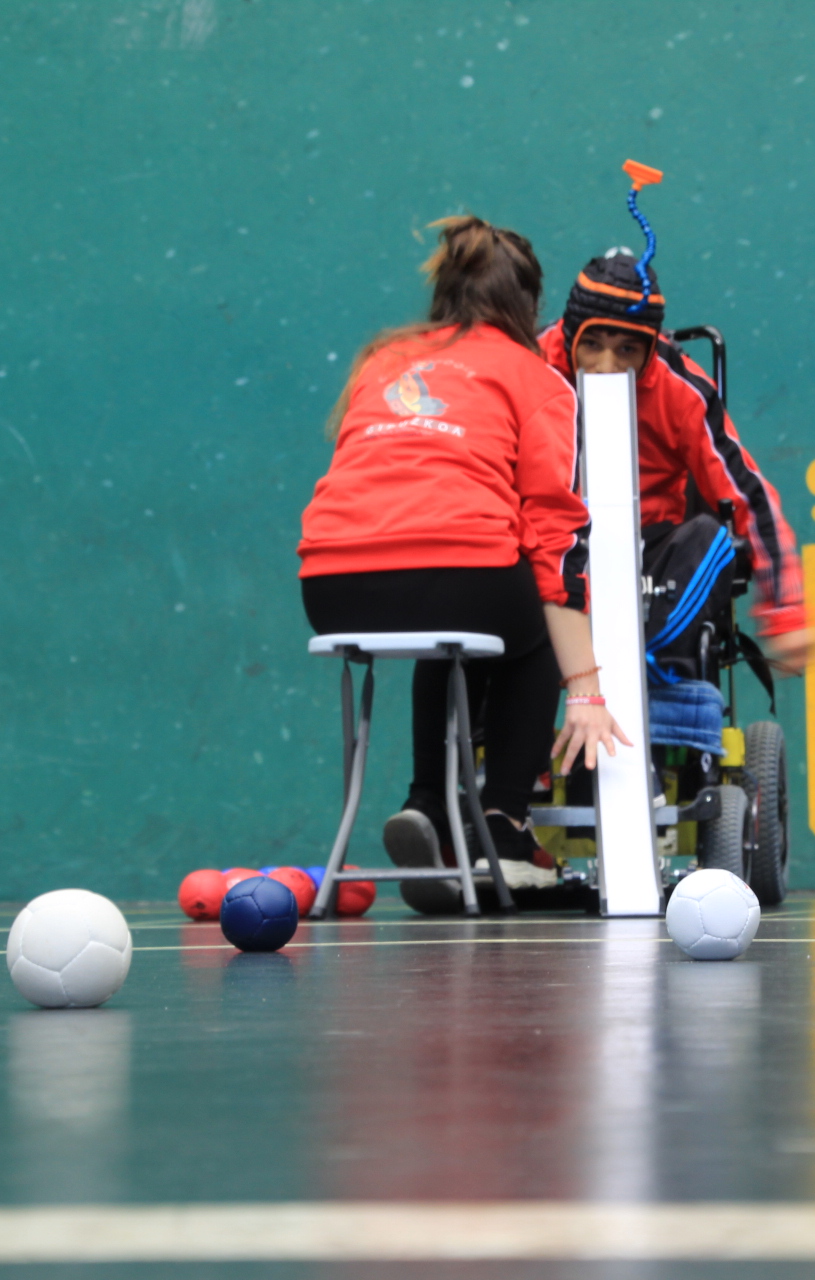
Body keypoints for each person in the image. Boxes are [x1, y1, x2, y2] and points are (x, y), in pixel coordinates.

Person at [297, 216, 629, 896]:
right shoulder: (537, 378)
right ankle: (503, 826)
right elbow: (552, 537)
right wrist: (586, 688)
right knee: (513, 617)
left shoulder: (382, 360)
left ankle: (426, 803)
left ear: (442, 290)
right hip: (460, 577)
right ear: (528, 305)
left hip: (330, 586)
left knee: (447, 622)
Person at [537, 250, 815, 676]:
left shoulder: (680, 388)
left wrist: (787, 610)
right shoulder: (533, 365)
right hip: (554, 549)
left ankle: (659, 679)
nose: (606, 367)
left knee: (711, 538)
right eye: (591, 345)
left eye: (627, 349)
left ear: (650, 349)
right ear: (570, 338)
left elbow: (749, 494)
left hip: (648, 557)